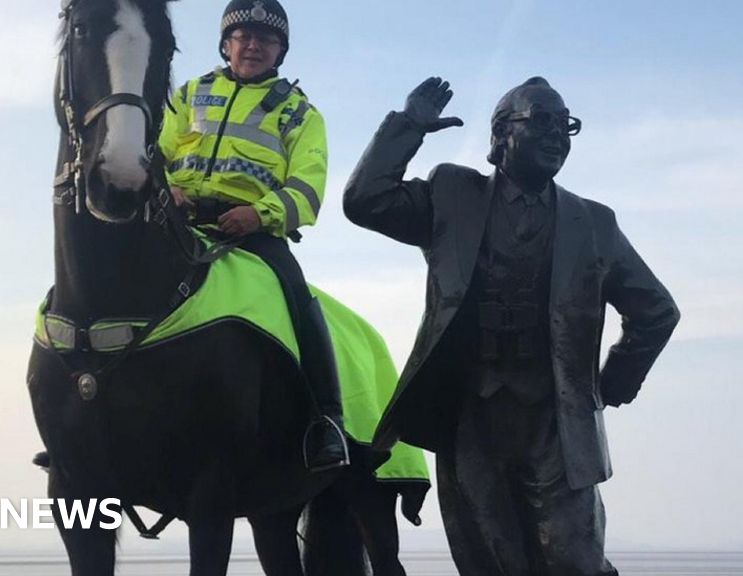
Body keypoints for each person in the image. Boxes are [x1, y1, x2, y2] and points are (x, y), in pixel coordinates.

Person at [343, 76, 680, 575]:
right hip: (470, 415)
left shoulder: (594, 224)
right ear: (500, 135)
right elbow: (364, 201)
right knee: (490, 558)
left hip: (555, 421)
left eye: (565, 124)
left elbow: (656, 310)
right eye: (541, 121)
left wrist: (608, 386)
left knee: (575, 559)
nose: (556, 134)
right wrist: (409, 126)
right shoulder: (452, 194)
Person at [158, 0, 349, 471]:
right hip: (177, 222)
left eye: (266, 39)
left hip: (251, 231)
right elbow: (154, 152)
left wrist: (259, 214)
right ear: (226, 45)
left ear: (281, 50)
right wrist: (166, 187)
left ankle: (327, 420)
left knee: (297, 296)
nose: (253, 46)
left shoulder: (299, 112)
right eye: (243, 36)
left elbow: (308, 187)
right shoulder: (189, 94)